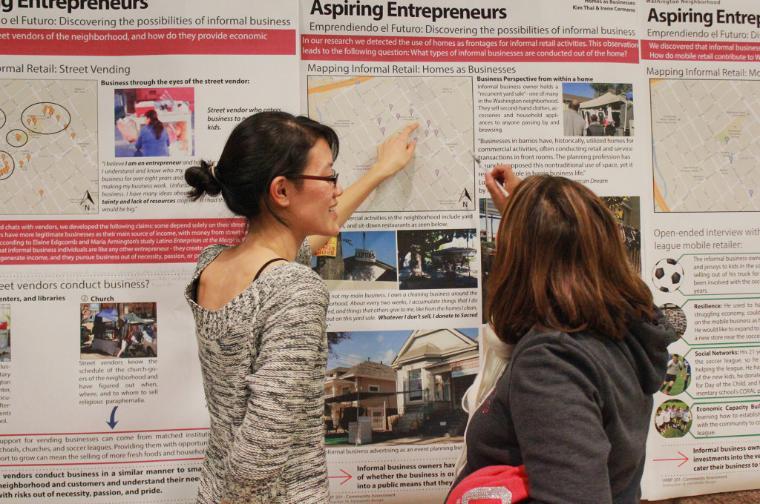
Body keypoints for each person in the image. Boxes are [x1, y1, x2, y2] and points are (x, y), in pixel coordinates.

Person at [184, 111, 417, 504]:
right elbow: (259, 450)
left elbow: (295, 243)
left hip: (213, 488)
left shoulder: (213, 264)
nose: (336, 190)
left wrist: (379, 172)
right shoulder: (294, 288)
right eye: (329, 177)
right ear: (281, 191)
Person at [450, 164, 677, 503]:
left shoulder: (553, 363)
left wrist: (530, 227)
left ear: (520, 260)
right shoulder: (620, 331)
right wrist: (531, 215)